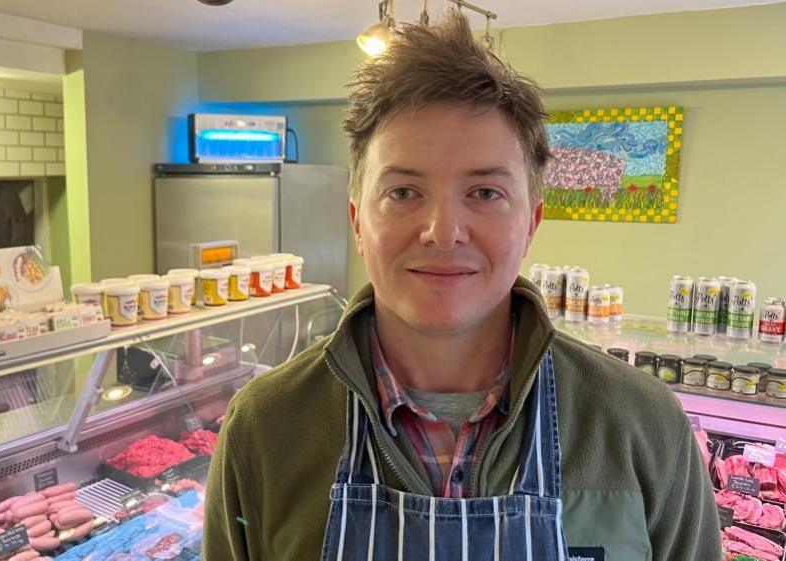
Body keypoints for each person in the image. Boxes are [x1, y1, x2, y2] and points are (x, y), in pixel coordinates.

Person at [203, 10, 720, 561]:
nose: (443, 233)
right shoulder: (266, 426)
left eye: (485, 193)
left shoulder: (640, 422)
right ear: (357, 221)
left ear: (531, 224)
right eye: (403, 192)